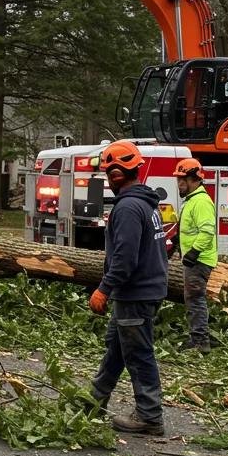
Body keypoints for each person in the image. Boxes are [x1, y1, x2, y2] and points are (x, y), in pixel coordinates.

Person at [86, 140, 169, 435]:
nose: (112, 176)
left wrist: (104, 289)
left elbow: (124, 258)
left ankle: (149, 415)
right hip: (143, 290)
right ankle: (93, 401)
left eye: (113, 171)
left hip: (135, 292)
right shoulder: (144, 203)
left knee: (138, 352)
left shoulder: (129, 207)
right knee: (118, 347)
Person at [174, 157, 217, 353]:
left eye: (181, 180)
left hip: (199, 260)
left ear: (193, 179)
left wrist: (193, 252)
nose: (179, 184)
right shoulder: (192, 200)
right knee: (192, 297)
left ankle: (200, 342)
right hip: (195, 259)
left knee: (195, 298)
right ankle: (198, 337)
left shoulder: (200, 201)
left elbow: (207, 231)